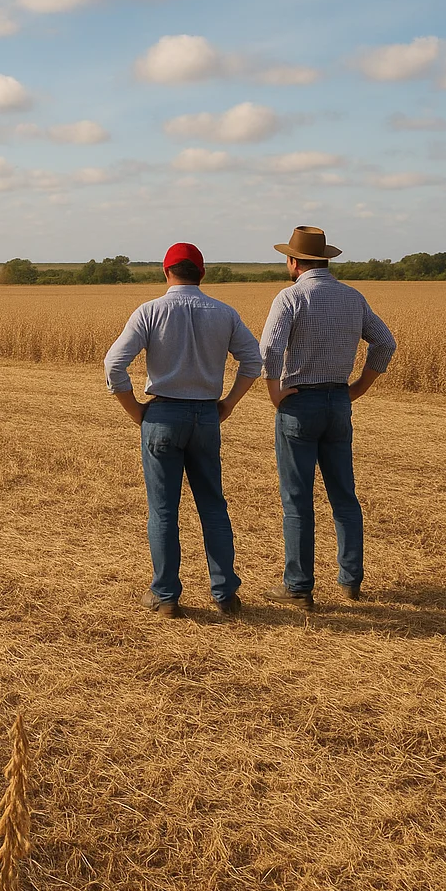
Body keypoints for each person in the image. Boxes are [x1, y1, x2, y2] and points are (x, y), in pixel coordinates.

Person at [103, 243, 262, 618]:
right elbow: (254, 361)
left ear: (166, 271)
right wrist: (228, 403)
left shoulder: (150, 311)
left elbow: (113, 365)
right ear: (201, 273)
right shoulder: (224, 313)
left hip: (162, 416)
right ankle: (225, 594)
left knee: (163, 511)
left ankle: (166, 596)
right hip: (206, 416)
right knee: (213, 507)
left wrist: (135, 411)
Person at [259, 226, 396, 609]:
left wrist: (274, 391)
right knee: (344, 495)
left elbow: (269, 349)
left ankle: (298, 586)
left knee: (297, 499)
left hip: (299, 403)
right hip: (338, 402)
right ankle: (351, 581)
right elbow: (385, 342)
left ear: (293, 261)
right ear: (325, 260)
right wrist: (358, 387)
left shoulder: (290, 297)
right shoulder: (353, 297)